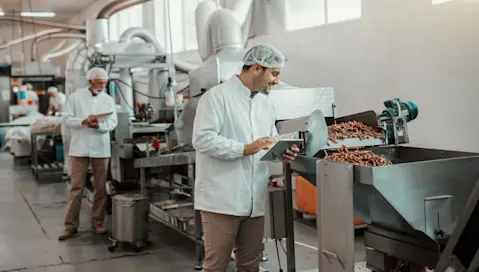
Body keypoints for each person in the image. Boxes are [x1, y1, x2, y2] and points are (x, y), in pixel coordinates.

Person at [192, 44, 300, 271]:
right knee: (216, 266)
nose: (277, 81)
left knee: (250, 265)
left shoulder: (264, 103)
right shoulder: (216, 97)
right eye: (274, 73)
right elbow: (202, 139)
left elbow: (269, 140)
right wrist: (244, 149)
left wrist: (282, 151)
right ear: (257, 68)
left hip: (253, 200)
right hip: (221, 200)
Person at [58, 67, 118, 240]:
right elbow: (67, 119)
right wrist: (83, 122)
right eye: (99, 82)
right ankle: (71, 226)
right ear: (90, 81)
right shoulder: (76, 97)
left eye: (104, 83)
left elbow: (112, 121)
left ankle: (97, 223)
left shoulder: (107, 99)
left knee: (100, 187)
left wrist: (99, 125)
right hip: (80, 148)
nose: (102, 86)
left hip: (100, 147)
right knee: (76, 187)